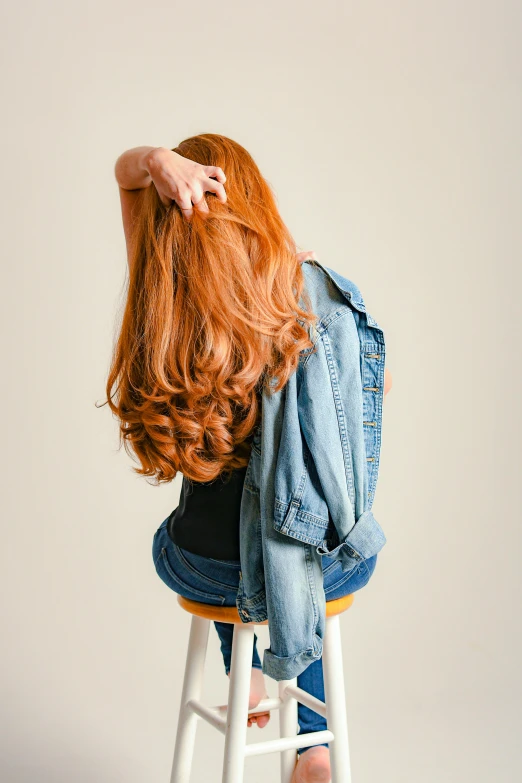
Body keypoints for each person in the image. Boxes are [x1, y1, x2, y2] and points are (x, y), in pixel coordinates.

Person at [106, 134, 392, 783]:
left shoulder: (163, 312)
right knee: (308, 555)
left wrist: (158, 164)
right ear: (256, 210)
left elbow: (124, 178)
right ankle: (313, 749)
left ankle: (248, 674)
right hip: (309, 575)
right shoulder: (300, 310)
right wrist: (303, 289)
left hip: (205, 570)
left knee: (196, 546)